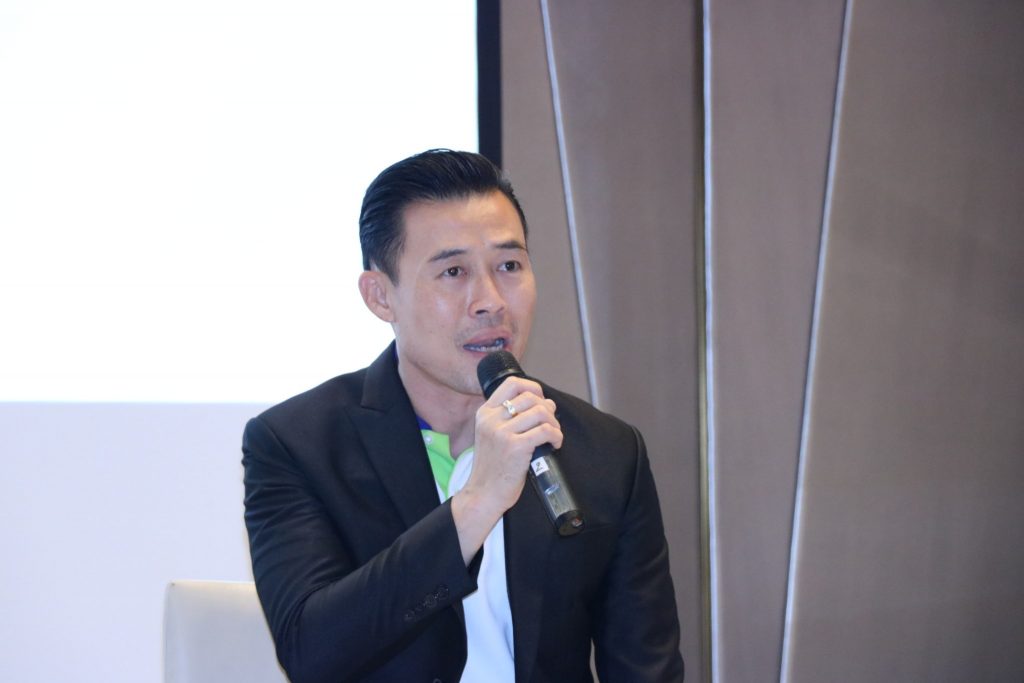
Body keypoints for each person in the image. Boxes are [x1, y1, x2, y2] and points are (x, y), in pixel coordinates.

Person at [242, 149, 684, 683]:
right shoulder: (298, 444)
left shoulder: (605, 451)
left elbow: (645, 668)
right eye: (453, 272)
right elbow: (312, 652)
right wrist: (477, 502)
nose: (491, 300)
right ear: (380, 296)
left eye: (509, 266)